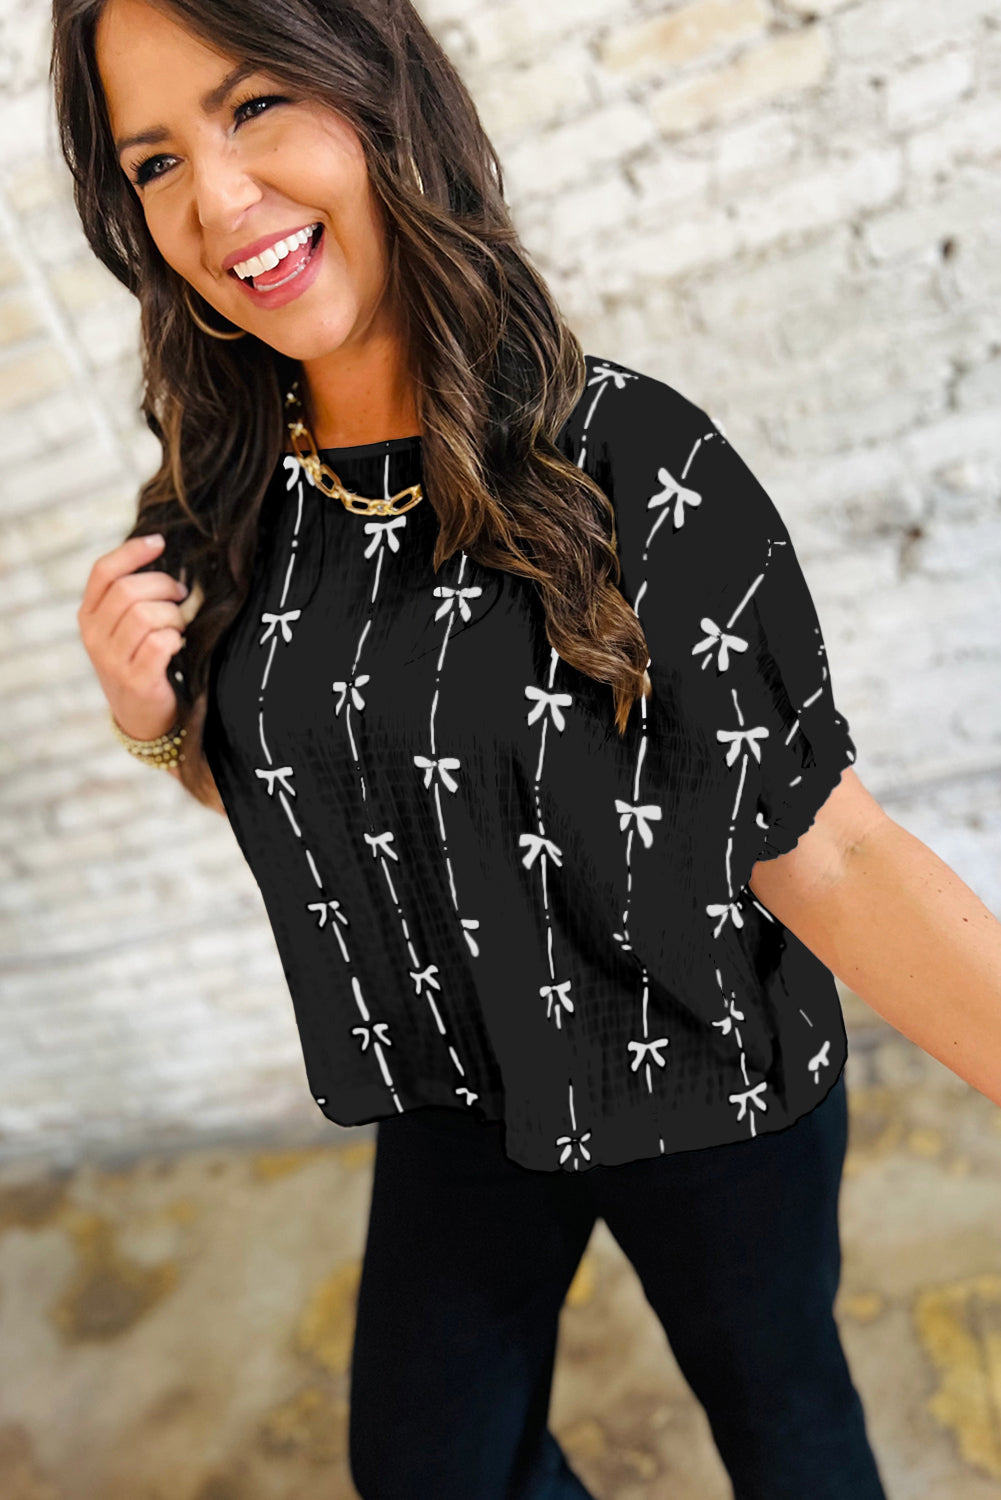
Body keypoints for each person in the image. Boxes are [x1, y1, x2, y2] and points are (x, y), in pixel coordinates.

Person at [58, 0, 1001, 1495]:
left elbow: (826, 846)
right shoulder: (214, 497)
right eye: (154, 159)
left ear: (376, 95)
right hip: (457, 1088)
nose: (215, 200)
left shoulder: (633, 456)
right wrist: (151, 728)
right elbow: (307, 800)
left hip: (704, 1072)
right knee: (425, 1466)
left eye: (251, 109)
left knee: (788, 1427)